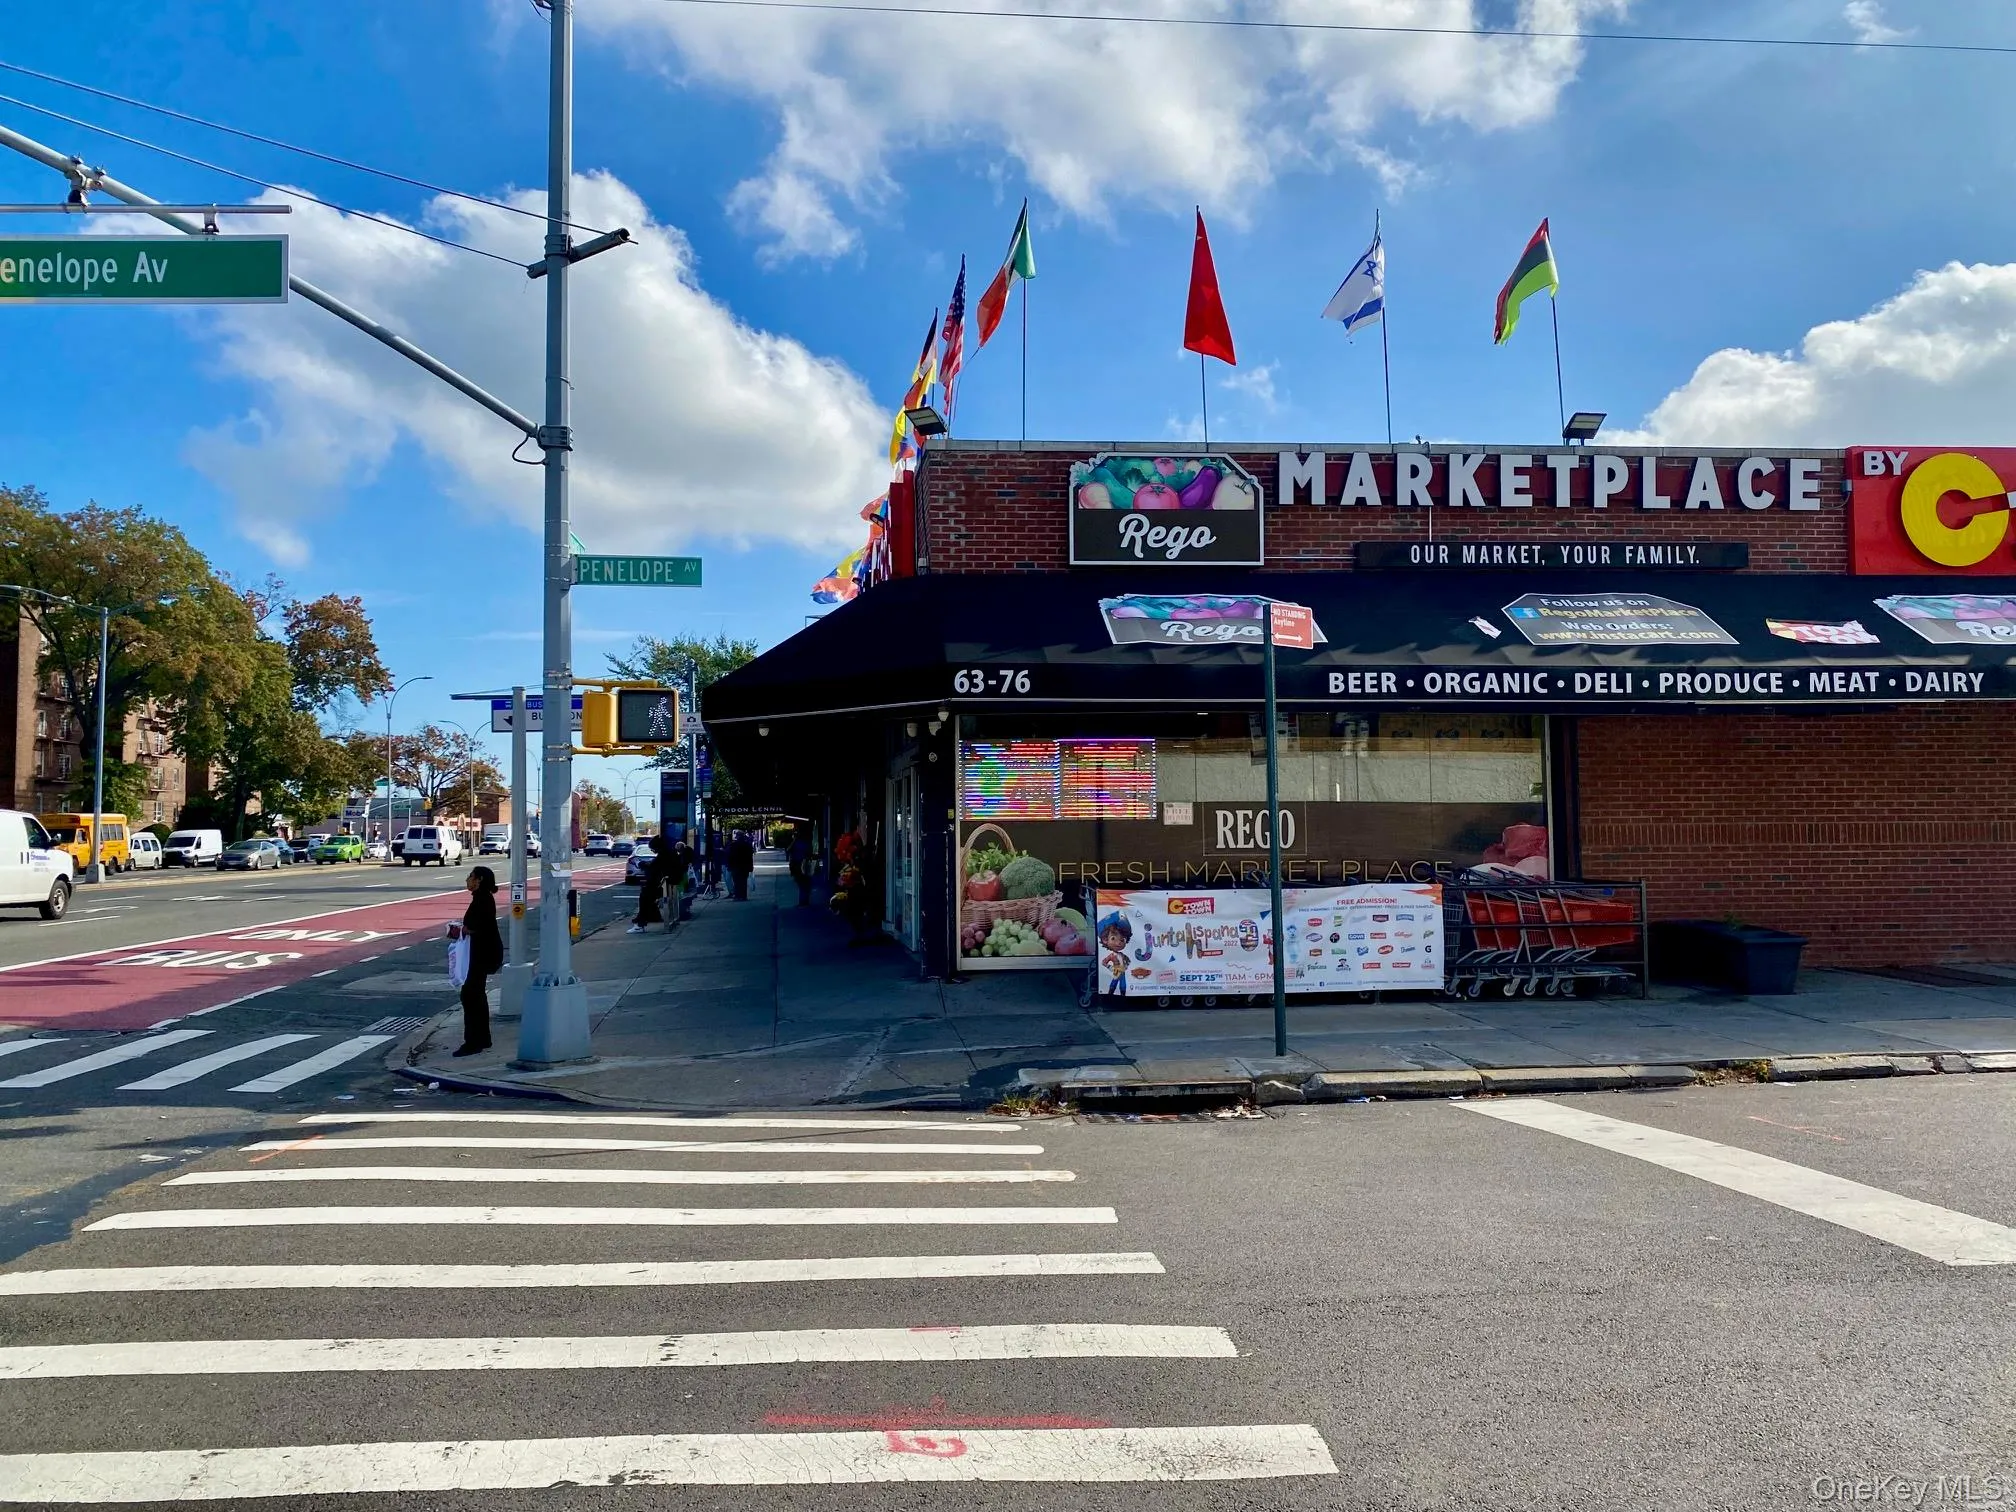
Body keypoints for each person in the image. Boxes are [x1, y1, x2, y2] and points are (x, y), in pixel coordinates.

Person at [455, 866, 504, 1056]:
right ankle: (483, 1038)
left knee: (470, 996)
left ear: (479, 880)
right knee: (476, 995)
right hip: (481, 953)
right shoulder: (482, 898)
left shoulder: (482, 899)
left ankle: (473, 1042)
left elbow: (473, 927)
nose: (468, 880)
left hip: (482, 954)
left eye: (471, 876)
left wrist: (458, 930)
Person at [628, 843, 673, 934]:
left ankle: (640, 924)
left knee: (645, 897)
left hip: (663, 886)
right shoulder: (666, 855)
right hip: (666, 884)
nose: (652, 851)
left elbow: (652, 867)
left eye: (653, 849)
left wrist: (641, 864)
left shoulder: (662, 856)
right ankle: (653, 916)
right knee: (646, 894)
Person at [787, 828, 814, 907]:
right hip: (805, 864)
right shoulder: (807, 843)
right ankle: (805, 900)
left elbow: (788, 849)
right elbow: (810, 853)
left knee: (801, 883)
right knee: (806, 883)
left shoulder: (796, 843)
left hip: (797, 864)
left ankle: (802, 901)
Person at [728, 830, 755, 901]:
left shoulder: (733, 845)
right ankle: (743, 896)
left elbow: (730, 856)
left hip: (736, 866)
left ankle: (737, 896)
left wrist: (729, 866)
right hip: (745, 866)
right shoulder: (747, 845)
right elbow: (750, 857)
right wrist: (751, 867)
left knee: (736, 882)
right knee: (743, 881)